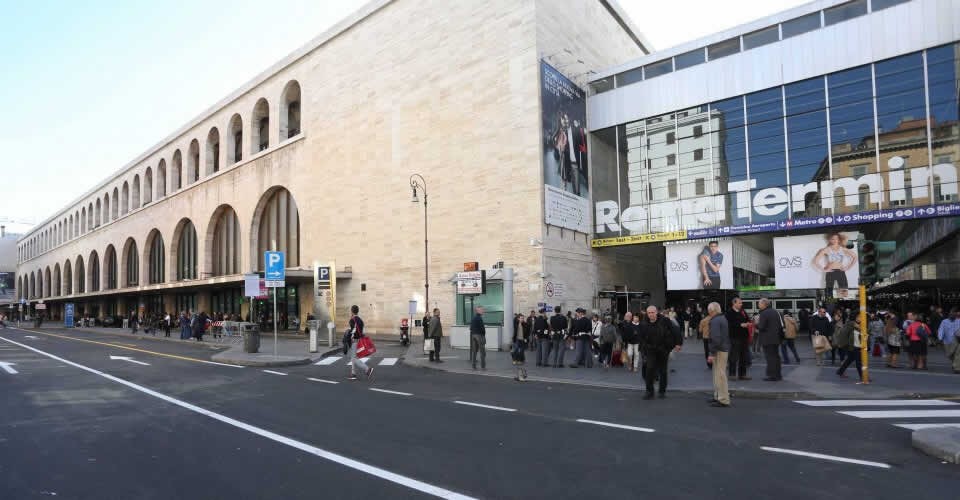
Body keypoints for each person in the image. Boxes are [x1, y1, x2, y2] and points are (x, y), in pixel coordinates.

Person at [638, 306, 682, 399]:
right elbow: (641, 337)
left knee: (663, 371)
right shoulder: (643, 323)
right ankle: (649, 391)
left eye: (653, 312)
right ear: (647, 313)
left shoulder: (665, 320)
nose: (651, 314)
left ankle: (662, 391)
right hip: (650, 350)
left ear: (657, 312)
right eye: (649, 313)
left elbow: (676, 330)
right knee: (649, 370)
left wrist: (678, 343)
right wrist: (643, 349)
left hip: (663, 349)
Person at [812, 232, 858, 297]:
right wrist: (823, 269)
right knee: (829, 293)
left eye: (836, 239)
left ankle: (841, 306)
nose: (834, 240)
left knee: (844, 293)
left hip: (841, 272)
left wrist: (848, 267)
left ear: (839, 240)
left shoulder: (843, 249)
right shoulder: (826, 249)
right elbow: (815, 261)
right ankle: (830, 306)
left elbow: (855, 257)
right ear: (830, 240)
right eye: (832, 239)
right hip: (830, 272)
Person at [706, 302, 730, 407]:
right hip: (722, 349)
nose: (708, 312)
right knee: (718, 374)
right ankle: (718, 396)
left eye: (709, 310)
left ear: (712, 310)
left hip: (719, 350)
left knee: (719, 375)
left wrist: (712, 353)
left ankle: (723, 399)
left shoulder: (715, 320)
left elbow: (715, 338)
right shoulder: (722, 318)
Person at [756, 298, 783, 381]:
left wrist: (756, 324)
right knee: (776, 357)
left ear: (764, 304)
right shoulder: (775, 312)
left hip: (767, 339)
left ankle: (772, 375)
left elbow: (762, 327)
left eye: (759, 304)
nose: (758, 305)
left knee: (770, 357)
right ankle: (778, 374)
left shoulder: (764, 313)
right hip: (776, 338)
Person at [724, 297, 751, 380]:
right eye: (739, 303)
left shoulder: (743, 311)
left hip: (744, 337)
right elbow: (728, 324)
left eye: (741, 303)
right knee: (734, 356)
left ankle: (742, 374)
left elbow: (747, 319)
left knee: (744, 356)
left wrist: (748, 323)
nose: (741, 304)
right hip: (734, 337)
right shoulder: (729, 313)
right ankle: (732, 374)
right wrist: (740, 325)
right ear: (734, 303)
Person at [346, 305, 374, 380]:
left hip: (355, 341)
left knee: (354, 358)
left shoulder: (352, 320)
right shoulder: (360, 320)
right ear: (357, 311)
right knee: (353, 357)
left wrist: (350, 338)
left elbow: (353, 331)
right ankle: (353, 373)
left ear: (352, 311)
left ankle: (367, 369)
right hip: (359, 341)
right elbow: (361, 331)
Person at [938, 308, 960, 374]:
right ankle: (955, 364)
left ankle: (957, 368)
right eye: (951, 314)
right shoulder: (944, 321)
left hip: (957, 340)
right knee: (950, 355)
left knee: (958, 354)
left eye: (954, 313)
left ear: (956, 314)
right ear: (949, 314)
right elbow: (941, 330)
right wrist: (940, 339)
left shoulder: (959, 321)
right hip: (947, 342)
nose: (952, 315)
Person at [470, 306, 486, 370]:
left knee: (474, 351)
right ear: (478, 311)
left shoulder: (473, 318)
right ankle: (483, 366)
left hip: (473, 335)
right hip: (479, 335)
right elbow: (482, 328)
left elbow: (470, 328)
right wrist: (483, 334)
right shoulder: (479, 318)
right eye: (481, 310)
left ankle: (473, 365)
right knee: (482, 351)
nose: (483, 311)